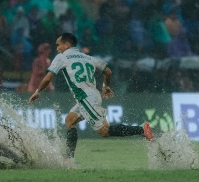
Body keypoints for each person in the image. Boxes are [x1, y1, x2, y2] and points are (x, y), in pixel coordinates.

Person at [28, 33, 154, 163]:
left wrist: (38, 91)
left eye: (58, 45)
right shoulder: (87, 57)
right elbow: (108, 71)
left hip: (85, 98)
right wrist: (105, 86)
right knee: (70, 120)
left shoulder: (62, 57)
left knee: (104, 131)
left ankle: (141, 129)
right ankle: (69, 158)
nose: (57, 48)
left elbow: (49, 77)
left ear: (66, 45)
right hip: (91, 95)